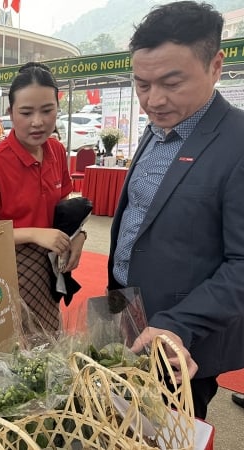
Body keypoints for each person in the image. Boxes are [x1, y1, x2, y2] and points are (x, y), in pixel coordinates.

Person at [108, 1, 244, 420]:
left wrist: (178, 323)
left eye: (171, 82)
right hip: (128, 314)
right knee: (120, 421)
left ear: (216, 65)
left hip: (181, 337)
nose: (154, 100)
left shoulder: (237, 142)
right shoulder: (156, 131)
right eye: (142, 84)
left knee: (170, 428)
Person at [0, 62, 86, 331]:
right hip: (7, 271)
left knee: (50, 339)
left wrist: (78, 236)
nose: (38, 122)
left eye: (47, 110)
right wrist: (32, 233)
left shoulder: (54, 150)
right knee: (15, 348)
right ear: (10, 113)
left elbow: (65, 205)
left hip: (49, 268)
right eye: (26, 112)